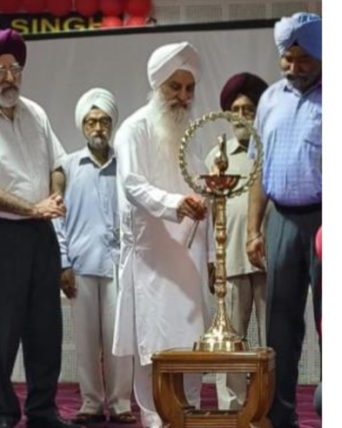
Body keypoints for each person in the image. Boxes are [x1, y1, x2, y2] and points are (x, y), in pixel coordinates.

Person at [0, 29, 78, 428]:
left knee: (46, 328)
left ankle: (43, 411)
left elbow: (58, 164)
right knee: (0, 331)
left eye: (15, 68)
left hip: (40, 235)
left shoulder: (35, 113)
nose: (10, 78)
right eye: (0, 70)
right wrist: (32, 208)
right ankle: (3, 414)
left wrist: (54, 198)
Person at [112, 41, 215, 428]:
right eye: (175, 87)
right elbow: (133, 185)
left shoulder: (190, 132)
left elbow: (201, 182)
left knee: (191, 344)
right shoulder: (134, 129)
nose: (183, 97)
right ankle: (155, 421)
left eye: (189, 88)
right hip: (151, 263)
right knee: (154, 348)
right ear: (157, 86)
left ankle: (187, 418)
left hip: (188, 259)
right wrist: (176, 203)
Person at [246, 13, 322, 428]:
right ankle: (280, 417)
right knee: (279, 324)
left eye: (303, 59)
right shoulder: (271, 98)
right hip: (280, 221)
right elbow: (259, 169)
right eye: (286, 59)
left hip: (327, 221)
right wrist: (255, 228)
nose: (293, 68)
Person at [54, 88, 136, 425]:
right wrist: (62, 262)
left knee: (120, 341)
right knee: (86, 341)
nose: (98, 127)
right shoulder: (67, 166)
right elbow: (56, 215)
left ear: (112, 124)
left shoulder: (127, 165)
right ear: (82, 126)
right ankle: (90, 403)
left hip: (119, 264)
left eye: (104, 121)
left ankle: (119, 403)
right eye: (91, 121)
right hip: (81, 265)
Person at [204, 72, 269, 411]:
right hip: (228, 260)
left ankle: (270, 404)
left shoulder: (271, 149)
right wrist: (210, 261)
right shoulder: (216, 158)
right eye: (236, 110)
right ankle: (232, 406)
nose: (242, 117)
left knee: (273, 338)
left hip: (268, 259)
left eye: (249, 109)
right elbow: (209, 211)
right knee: (230, 339)